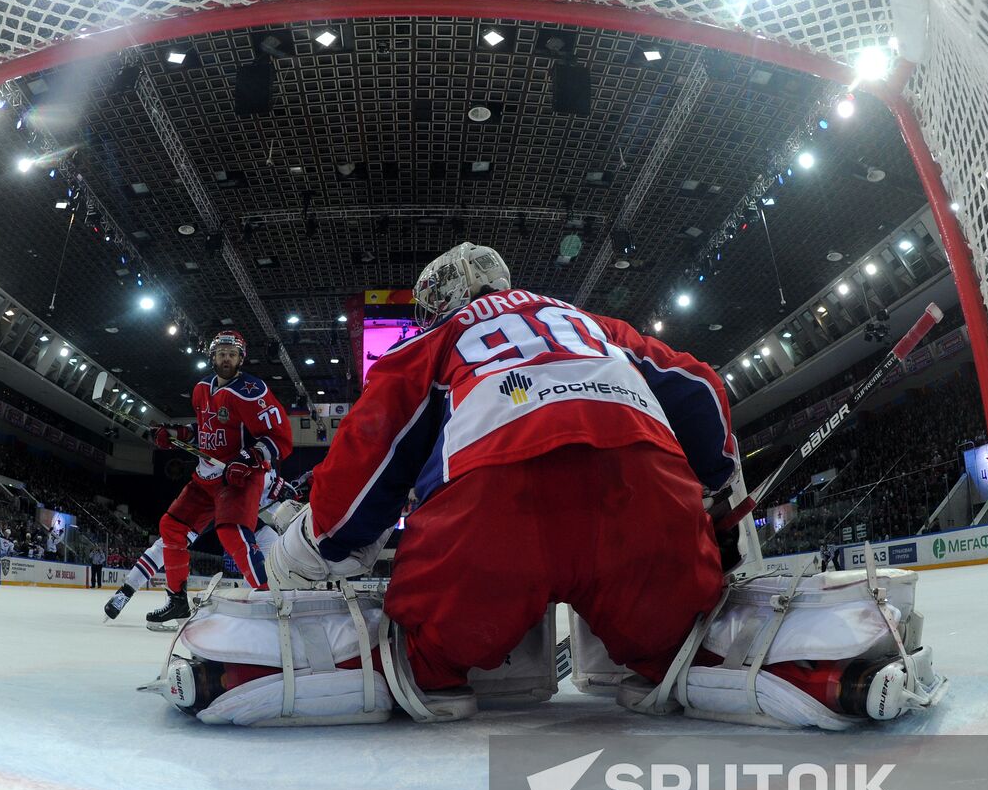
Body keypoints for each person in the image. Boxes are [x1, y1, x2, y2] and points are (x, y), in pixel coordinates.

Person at [266, 242, 734, 705]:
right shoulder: (598, 327)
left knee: (423, 657)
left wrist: (319, 541)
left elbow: (369, 448)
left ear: (436, 305)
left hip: (494, 515)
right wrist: (716, 491)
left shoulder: (433, 342)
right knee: (678, 647)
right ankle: (683, 660)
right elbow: (702, 387)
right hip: (643, 500)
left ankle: (425, 671)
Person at [144, 330, 293, 629]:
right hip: (206, 476)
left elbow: (281, 439)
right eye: (221, 353)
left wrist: (249, 457)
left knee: (232, 532)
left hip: (239, 477)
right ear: (212, 356)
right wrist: (175, 435)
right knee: (172, 526)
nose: (226, 358)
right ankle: (176, 602)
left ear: (241, 358)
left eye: (232, 353)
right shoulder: (201, 388)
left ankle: (268, 602)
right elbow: (205, 429)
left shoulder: (252, 390)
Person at [103, 469, 297, 621]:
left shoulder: (261, 468)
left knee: (272, 544)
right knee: (168, 546)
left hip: (239, 521)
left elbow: (276, 507)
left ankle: (253, 603)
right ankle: (127, 593)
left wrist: (283, 497)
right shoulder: (233, 459)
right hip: (213, 511)